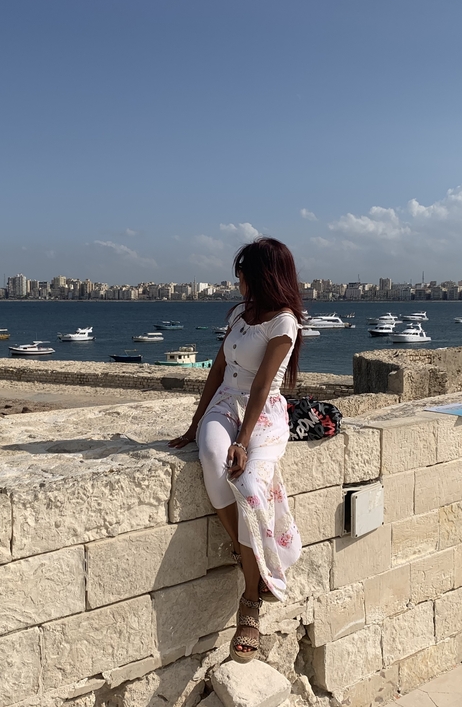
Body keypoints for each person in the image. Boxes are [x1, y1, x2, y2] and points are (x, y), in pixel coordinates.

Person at [169, 237, 303, 663]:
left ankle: (251, 600)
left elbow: (264, 383)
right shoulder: (239, 316)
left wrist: (244, 440)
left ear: (262, 274)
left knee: (246, 482)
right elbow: (219, 368)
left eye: (242, 272)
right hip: (226, 403)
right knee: (211, 458)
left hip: (263, 415)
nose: (238, 280)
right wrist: (195, 423)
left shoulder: (284, 323)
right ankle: (253, 562)